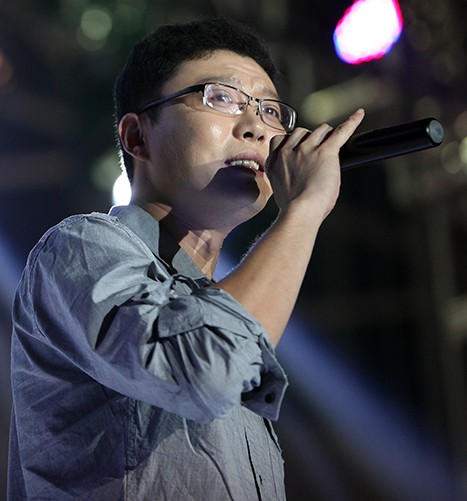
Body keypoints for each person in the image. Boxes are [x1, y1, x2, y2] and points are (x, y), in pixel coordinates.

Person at [8, 17, 364, 500]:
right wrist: (303, 210)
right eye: (222, 98)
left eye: (269, 110)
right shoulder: (80, 246)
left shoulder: (233, 308)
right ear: (137, 137)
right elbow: (209, 369)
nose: (256, 128)